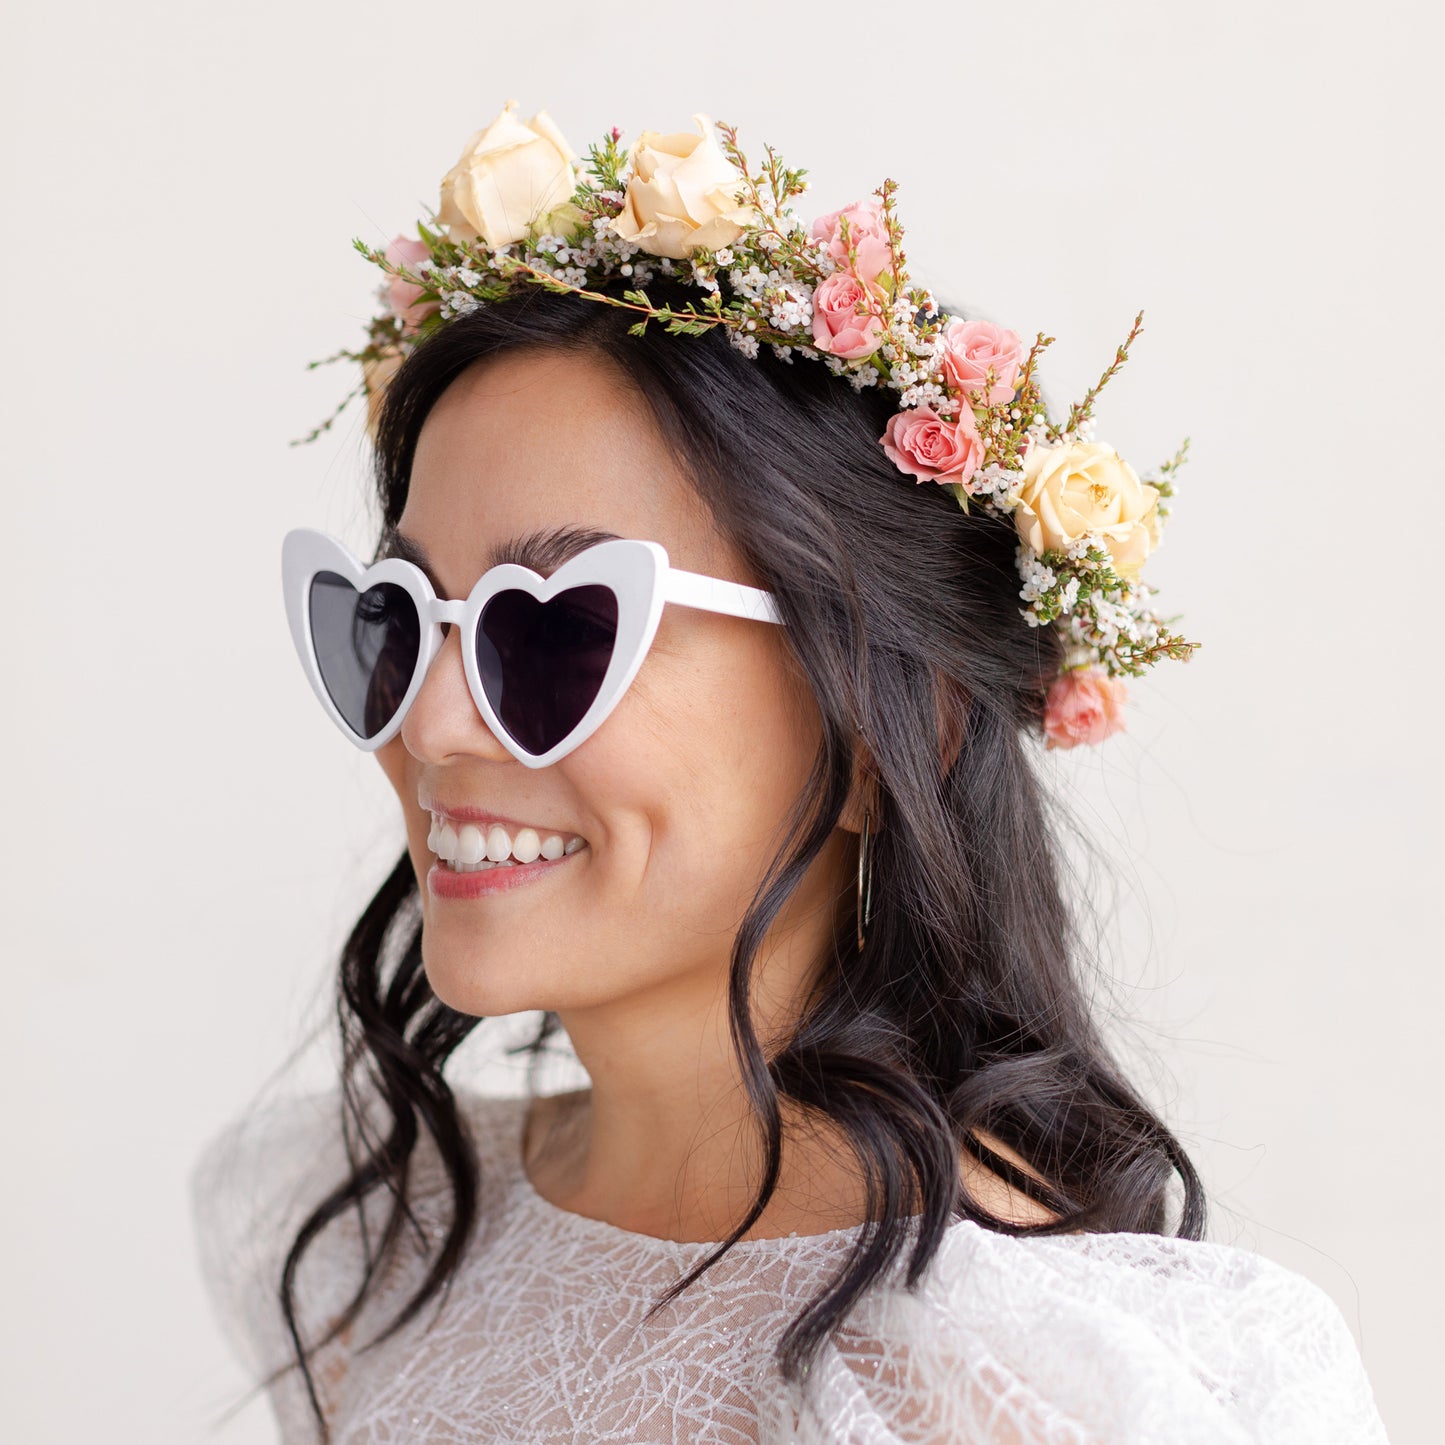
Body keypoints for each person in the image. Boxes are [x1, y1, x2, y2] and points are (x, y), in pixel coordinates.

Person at [191, 105, 1391, 1443]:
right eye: (398, 621)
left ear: (894, 724)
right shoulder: (385, 1245)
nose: (431, 725)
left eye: (562, 627)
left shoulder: (1053, 1384)